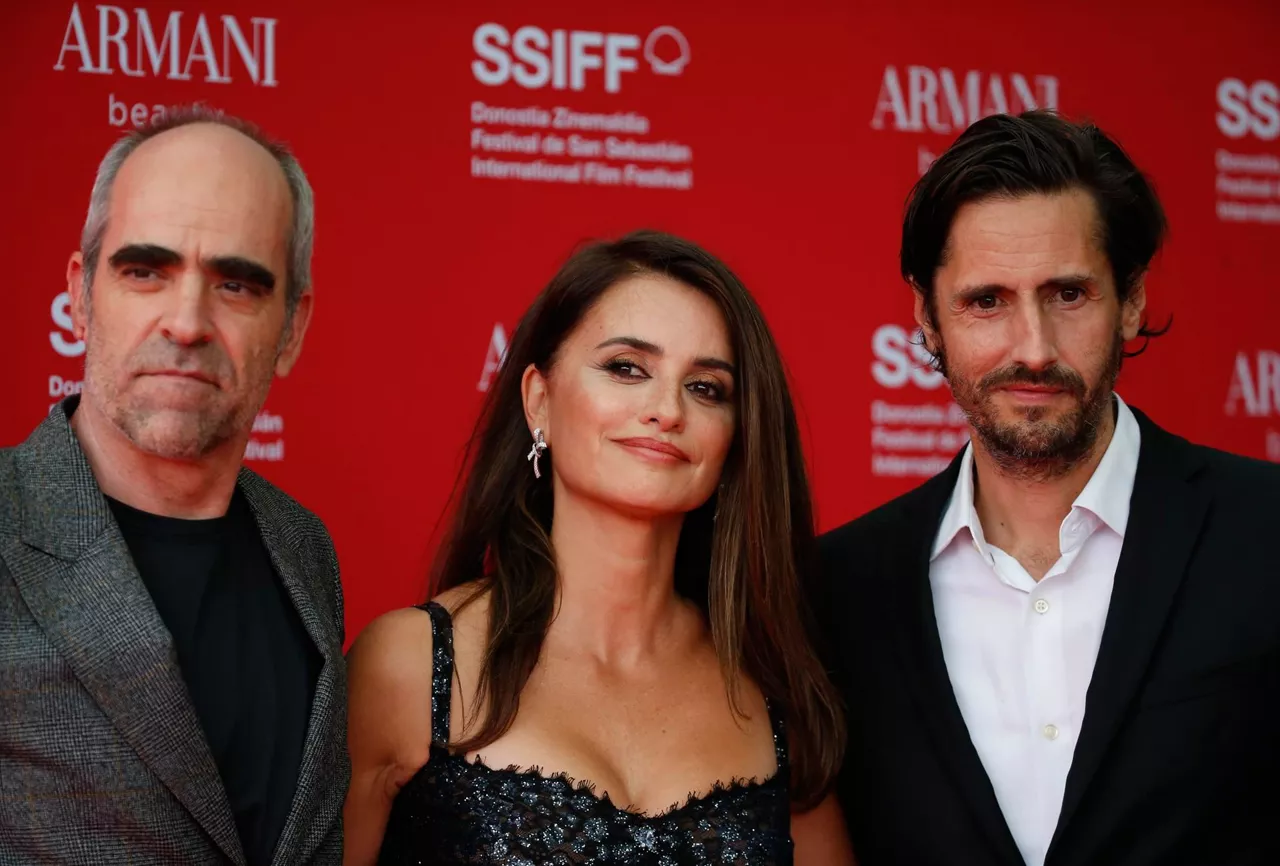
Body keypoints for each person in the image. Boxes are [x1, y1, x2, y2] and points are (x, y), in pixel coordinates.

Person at [819, 109, 1280, 866]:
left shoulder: (1264, 532)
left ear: (1130, 299)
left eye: (1068, 294)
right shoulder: (836, 592)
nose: (1032, 348)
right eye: (986, 300)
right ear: (926, 318)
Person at [344, 230, 854, 865]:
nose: (666, 409)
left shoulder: (773, 686)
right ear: (539, 401)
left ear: (735, 441)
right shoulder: (410, 665)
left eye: (706, 388)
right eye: (626, 369)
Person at [0, 107, 348, 865]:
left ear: (291, 329)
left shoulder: (303, 547)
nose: (187, 321)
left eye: (236, 283)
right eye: (145, 270)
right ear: (82, 294)